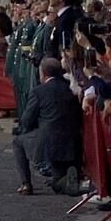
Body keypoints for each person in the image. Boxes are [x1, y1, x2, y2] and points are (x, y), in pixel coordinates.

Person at [14, 57, 84, 196]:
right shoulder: (70, 89)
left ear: (43, 73)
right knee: (57, 178)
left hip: (48, 141)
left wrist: (27, 129)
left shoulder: (38, 91)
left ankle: (26, 184)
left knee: (18, 142)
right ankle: (65, 180)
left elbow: (27, 120)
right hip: (72, 142)